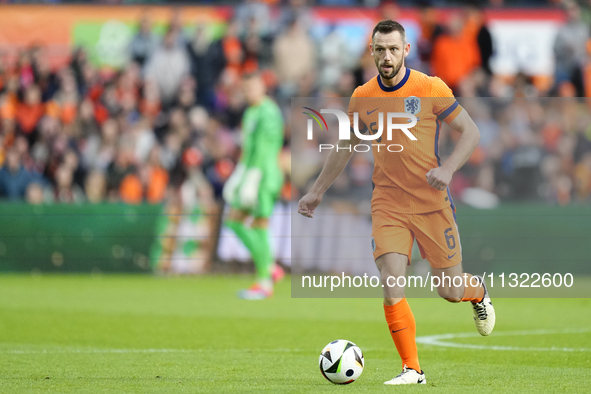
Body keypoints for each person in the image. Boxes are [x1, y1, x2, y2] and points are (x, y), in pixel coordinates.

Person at [297, 20, 495, 385]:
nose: (386, 56)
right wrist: (317, 190)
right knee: (392, 284)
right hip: (387, 203)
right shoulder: (362, 96)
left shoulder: (429, 87)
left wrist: (449, 169)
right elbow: (345, 146)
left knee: (449, 290)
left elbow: (471, 131)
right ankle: (412, 370)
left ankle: (478, 292)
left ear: (406, 50)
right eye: (379, 49)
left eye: (393, 49)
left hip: (432, 202)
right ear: (370, 52)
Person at [223, 72, 285, 300]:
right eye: (245, 89)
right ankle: (269, 267)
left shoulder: (269, 112)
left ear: (262, 87)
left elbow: (265, 148)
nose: (249, 93)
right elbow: (248, 148)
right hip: (251, 172)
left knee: (258, 223)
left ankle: (265, 280)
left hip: (265, 175)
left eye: (253, 88)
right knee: (236, 220)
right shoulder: (250, 112)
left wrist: (253, 176)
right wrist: (239, 173)